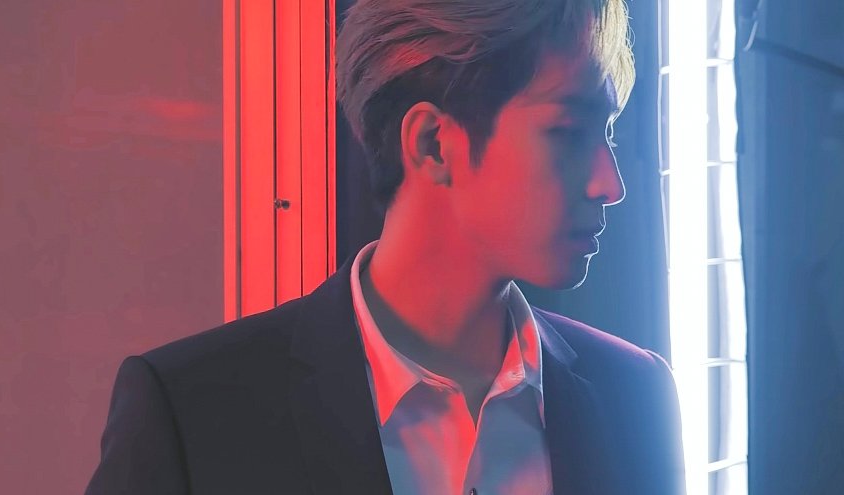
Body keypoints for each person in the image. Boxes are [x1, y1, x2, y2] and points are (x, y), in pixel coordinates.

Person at [85, 0, 685, 493]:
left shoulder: (632, 394)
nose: (609, 183)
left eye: (607, 134)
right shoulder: (196, 413)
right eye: (567, 132)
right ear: (431, 142)